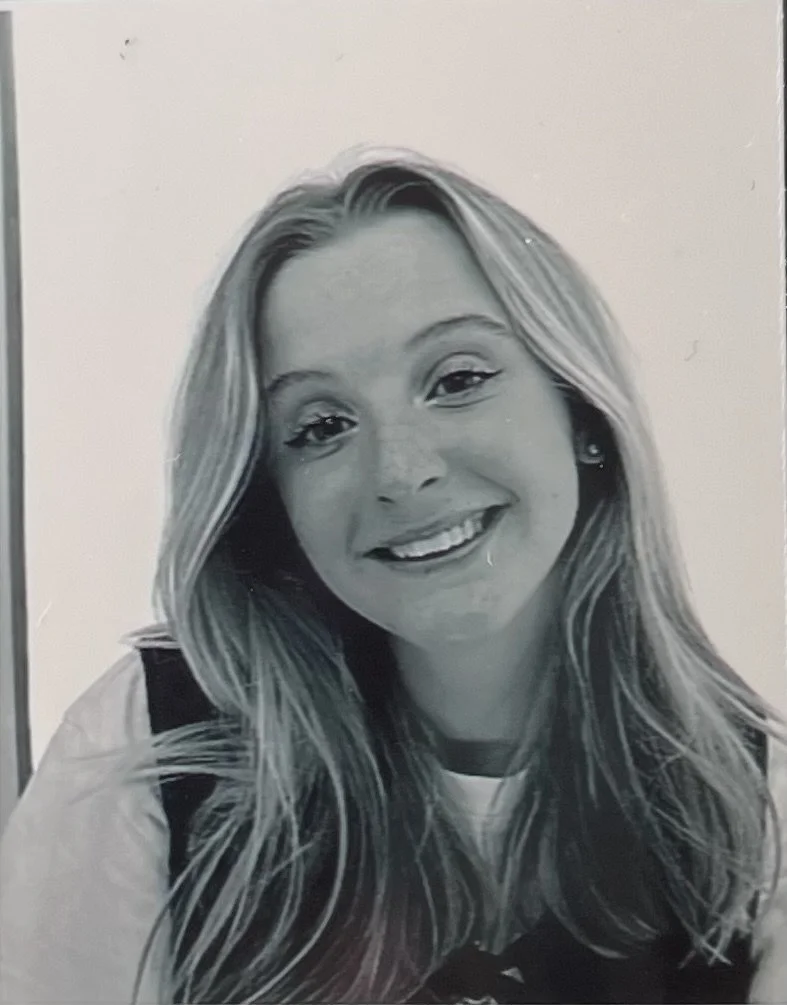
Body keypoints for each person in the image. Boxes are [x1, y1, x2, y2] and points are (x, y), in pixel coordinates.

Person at [1, 148, 786, 1005]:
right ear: (273, 503)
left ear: (583, 414)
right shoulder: (146, 746)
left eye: (457, 379)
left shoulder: (756, 809)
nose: (401, 470)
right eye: (322, 425)